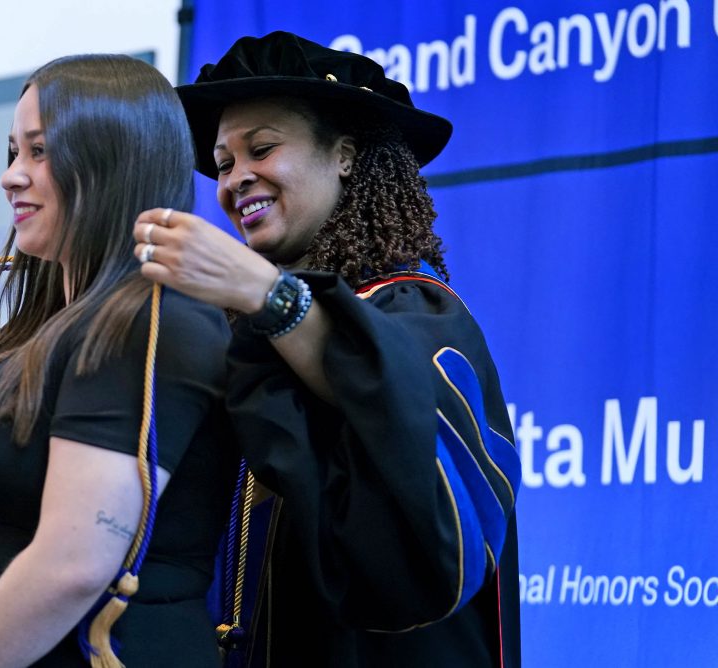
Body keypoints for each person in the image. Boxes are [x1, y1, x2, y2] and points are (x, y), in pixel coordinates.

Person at [132, 31, 522, 667]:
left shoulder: (417, 314)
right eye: (223, 163)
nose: (236, 179)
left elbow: (424, 532)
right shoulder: (241, 332)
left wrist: (268, 295)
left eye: (262, 148)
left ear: (343, 156)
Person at [0, 54, 237, 667]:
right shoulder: (24, 338)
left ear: (114, 160)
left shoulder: (154, 319)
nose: (11, 176)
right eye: (14, 151)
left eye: (39, 152)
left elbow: (74, 563)